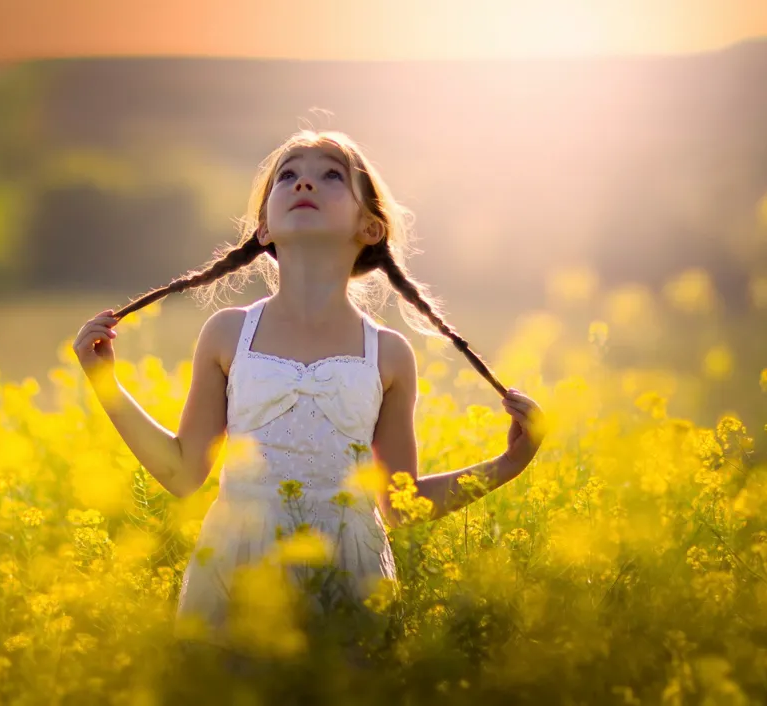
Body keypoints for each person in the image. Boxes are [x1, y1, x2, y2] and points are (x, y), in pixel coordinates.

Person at [71, 129, 548, 653]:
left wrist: (508, 464)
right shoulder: (228, 334)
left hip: (350, 570)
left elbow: (401, 504)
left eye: (330, 175)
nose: (304, 182)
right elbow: (184, 474)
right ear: (263, 228)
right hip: (237, 567)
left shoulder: (388, 354)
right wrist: (105, 382)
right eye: (287, 174)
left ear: (370, 227)